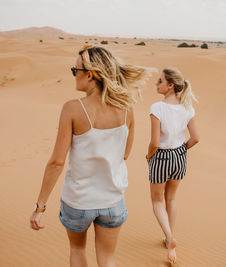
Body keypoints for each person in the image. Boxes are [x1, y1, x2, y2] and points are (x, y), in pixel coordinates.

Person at [30, 45, 154, 267]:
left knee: (77, 250)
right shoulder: (127, 108)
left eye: (74, 70)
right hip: (112, 200)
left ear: (90, 74)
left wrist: (40, 207)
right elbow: (124, 154)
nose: (73, 75)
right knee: (107, 259)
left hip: (78, 201)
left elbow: (57, 162)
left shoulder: (72, 109)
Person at [146, 68, 200, 263]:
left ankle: (169, 238)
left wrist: (148, 156)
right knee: (171, 199)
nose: (156, 84)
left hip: (161, 156)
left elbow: (154, 143)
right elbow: (195, 138)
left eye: (160, 81)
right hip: (180, 156)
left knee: (157, 201)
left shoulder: (157, 108)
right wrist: (181, 150)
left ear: (170, 86)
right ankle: (169, 241)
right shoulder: (187, 107)